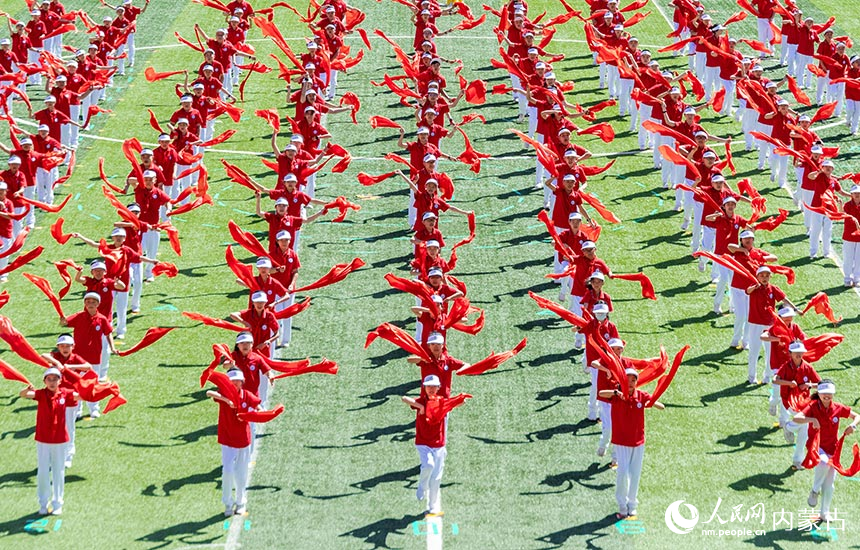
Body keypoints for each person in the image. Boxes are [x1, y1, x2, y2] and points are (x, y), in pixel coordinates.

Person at [598, 368, 664, 519]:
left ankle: (632, 505)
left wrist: (653, 402)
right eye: (627, 379)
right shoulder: (616, 394)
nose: (630, 383)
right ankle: (622, 505)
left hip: (638, 442)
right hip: (621, 442)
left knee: (635, 475)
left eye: (633, 380)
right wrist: (616, 393)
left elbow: (661, 406)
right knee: (622, 474)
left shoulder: (641, 396)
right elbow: (601, 393)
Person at [792, 380, 860, 523]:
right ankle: (815, 490)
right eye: (824, 395)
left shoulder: (837, 408)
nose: (827, 398)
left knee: (829, 485)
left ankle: (824, 513)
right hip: (816, 446)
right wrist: (811, 419)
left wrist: (853, 426)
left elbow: (857, 416)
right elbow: (797, 417)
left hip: (832, 448)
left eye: (830, 395)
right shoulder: (813, 406)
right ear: (820, 394)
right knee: (823, 463)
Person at [401, 374, 469, 516]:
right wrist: (420, 407)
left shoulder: (442, 402)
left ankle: (432, 506)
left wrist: (461, 401)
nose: (431, 389)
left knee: (437, 477)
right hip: (423, 442)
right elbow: (404, 398)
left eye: (434, 386)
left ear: (438, 388)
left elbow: (455, 403)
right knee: (428, 465)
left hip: (438, 443)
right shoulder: (422, 401)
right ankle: (422, 486)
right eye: (428, 386)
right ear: (424, 388)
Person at [19, 367, 77, 516]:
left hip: (60, 440)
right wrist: (26, 390)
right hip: (43, 439)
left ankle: (57, 503)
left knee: (58, 471)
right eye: (49, 379)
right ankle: (43, 503)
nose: (52, 382)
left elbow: (82, 396)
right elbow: (22, 395)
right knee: (43, 472)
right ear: (44, 381)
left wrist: (101, 390)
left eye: (55, 379)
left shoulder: (65, 393)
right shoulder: (41, 394)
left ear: (60, 380)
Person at [206, 368, 260, 517]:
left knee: (241, 473)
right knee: (228, 470)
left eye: (238, 380)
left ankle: (241, 502)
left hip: (243, 439)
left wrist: (251, 415)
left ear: (242, 382)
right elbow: (209, 393)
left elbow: (257, 408)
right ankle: (228, 503)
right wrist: (227, 400)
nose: (236, 383)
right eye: (232, 381)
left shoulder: (247, 395)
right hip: (227, 438)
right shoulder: (224, 394)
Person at [61, 293, 118, 417]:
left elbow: (108, 333)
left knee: (92, 383)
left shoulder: (102, 319)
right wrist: (62, 320)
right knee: (77, 383)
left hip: (94, 357)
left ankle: (94, 409)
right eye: (88, 301)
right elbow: (64, 323)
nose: (90, 304)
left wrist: (112, 347)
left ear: (98, 304)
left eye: (93, 302)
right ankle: (78, 410)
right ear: (84, 303)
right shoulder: (78, 316)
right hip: (78, 358)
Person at [42, 334, 92, 467]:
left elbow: (88, 366)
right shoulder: (56, 356)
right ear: (58, 347)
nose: (65, 349)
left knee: (68, 428)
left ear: (73, 347)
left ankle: (69, 454)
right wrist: (58, 363)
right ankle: (56, 455)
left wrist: (68, 367)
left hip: (70, 398)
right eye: (62, 346)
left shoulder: (75, 358)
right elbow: (43, 355)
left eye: (67, 346)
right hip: (53, 398)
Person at [746, 266, 797, 384]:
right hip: (756, 323)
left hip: (770, 324)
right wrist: (754, 286)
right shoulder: (754, 287)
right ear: (757, 276)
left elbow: (784, 299)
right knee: (754, 350)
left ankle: (767, 376)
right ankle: (751, 377)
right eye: (762, 275)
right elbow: (748, 291)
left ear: (770, 277)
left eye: (767, 275)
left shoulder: (773, 289)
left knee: (770, 353)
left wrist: (795, 308)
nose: (764, 278)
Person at [774, 340, 820, 468]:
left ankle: (797, 460)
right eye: (796, 353)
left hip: (804, 402)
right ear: (790, 354)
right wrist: (789, 383)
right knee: (804, 423)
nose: (799, 355)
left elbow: (820, 384)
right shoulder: (785, 366)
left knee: (804, 432)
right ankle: (789, 427)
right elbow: (775, 380)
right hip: (789, 401)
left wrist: (809, 384)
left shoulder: (807, 367)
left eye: (801, 353)